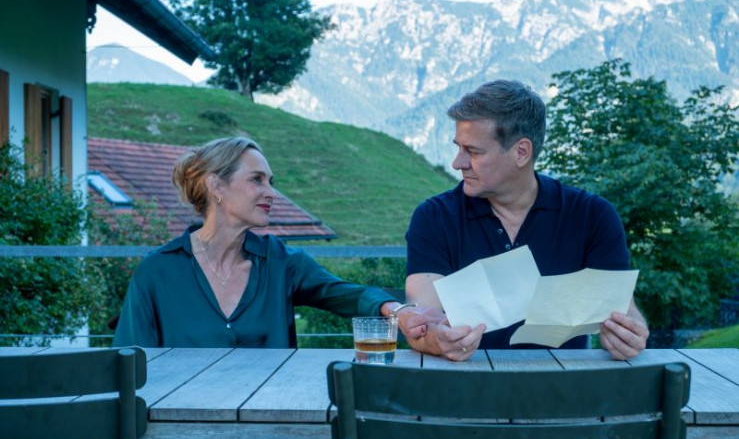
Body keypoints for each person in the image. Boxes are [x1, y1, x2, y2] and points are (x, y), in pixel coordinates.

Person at [401, 80, 650, 361]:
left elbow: (623, 310)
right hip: (462, 381)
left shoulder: (593, 216)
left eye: (473, 151)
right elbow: (421, 321)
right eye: (459, 148)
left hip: (565, 383)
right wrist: (434, 339)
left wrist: (630, 333)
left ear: (521, 152)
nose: (457, 163)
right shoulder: (434, 217)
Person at [114, 136, 419, 348]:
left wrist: (397, 311)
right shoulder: (157, 272)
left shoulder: (283, 263)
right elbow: (129, 366)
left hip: (271, 420)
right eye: (257, 179)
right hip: (180, 422)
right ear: (216, 185)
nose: (271, 193)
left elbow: (347, 294)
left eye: (271, 182)